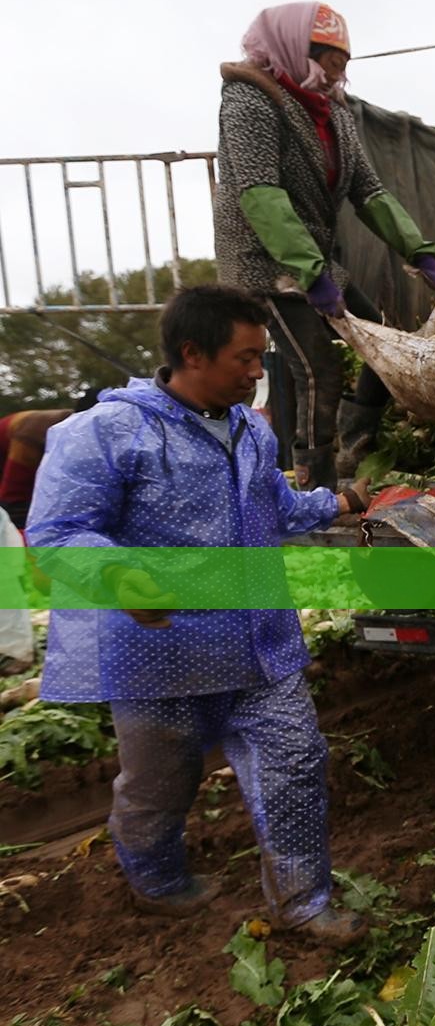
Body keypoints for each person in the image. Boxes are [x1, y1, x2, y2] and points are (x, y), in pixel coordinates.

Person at [26, 285, 371, 944]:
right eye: (245, 357)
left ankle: (303, 902)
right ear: (193, 353)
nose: (257, 372)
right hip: (161, 656)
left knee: (296, 761)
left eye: (261, 356)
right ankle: (156, 883)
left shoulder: (250, 430)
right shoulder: (111, 432)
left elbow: (277, 509)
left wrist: (342, 501)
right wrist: (119, 577)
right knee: (160, 786)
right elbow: (59, 531)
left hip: (261, 644)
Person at [214, 2, 435, 491]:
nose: (336, 73)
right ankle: (315, 486)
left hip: (313, 261)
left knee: (385, 342)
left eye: (343, 64)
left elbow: (369, 190)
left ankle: (355, 443)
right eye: (329, 61)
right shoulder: (249, 99)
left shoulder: (333, 112)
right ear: (295, 51)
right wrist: (311, 274)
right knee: (316, 367)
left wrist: (418, 251)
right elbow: (261, 195)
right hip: (263, 262)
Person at [0, 408, 76, 528]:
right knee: (15, 502)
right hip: (19, 438)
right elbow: (13, 495)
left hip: (28, 435)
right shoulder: (31, 437)